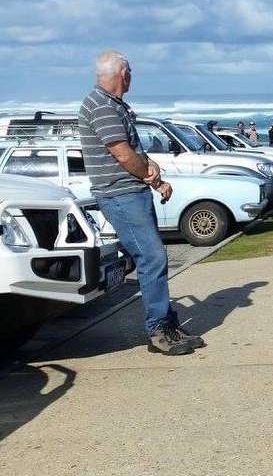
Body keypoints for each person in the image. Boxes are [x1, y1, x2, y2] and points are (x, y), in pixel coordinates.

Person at [78, 51, 202, 355]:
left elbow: (129, 150)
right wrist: (154, 179)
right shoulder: (102, 106)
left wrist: (148, 166)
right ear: (123, 73)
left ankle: (167, 323)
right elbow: (122, 153)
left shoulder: (112, 104)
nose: (133, 76)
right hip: (120, 194)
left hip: (129, 192)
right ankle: (159, 330)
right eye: (131, 71)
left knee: (152, 258)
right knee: (153, 258)